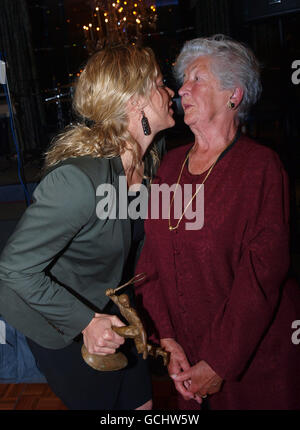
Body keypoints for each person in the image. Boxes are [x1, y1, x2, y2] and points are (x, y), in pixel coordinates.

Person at [0, 44, 175, 410]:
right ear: (135, 102)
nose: (170, 92)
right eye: (160, 84)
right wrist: (85, 322)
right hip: (61, 324)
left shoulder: (150, 167)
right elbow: (14, 270)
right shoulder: (79, 182)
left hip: (112, 314)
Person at [135, 34, 300, 410]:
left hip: (255, 365)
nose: (181, 89)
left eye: (197, 79)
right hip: (186, 364)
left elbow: (261, 276)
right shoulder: (169, 166)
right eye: (183, 80)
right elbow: (150, 268)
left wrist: (219, 363)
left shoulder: (260, 167)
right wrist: (168, 340)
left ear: (233, 95)